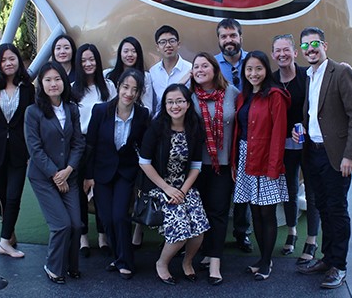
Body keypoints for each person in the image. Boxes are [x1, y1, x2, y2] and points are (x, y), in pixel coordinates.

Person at [294, 27, 352, 290]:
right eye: (305, 46)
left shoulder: (341, 72)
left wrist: (350, 155)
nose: (310, 49)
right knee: (323, 208)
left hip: (336, 156)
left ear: (325, 45)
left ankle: (340, 266)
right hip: (313, 152)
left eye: (314, 44)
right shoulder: (309, 75)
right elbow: (316, 113)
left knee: (337, 211)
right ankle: (327, 259)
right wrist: (301, 128)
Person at [139, 83, 210, 285]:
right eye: (170, 102)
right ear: (165, 105)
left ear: (188, 104)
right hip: (160, 186)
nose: (175, 106)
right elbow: (144, 162)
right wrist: (168, 189)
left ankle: (187, 262)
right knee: (180, 232)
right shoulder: (156, 127)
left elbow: (196, 165)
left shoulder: (194, 127)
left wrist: (183, 190)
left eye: (179, 101)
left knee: (199, 231)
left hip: (185, 186)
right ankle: (162, 263)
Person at [83, 69, 150, 279]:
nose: (129, 93)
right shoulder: (100, 110)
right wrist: (88, 176)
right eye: (125, 87)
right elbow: (90, 145)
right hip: (101, 172)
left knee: (120, 215)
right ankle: (117, 255)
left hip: (126, 172)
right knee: (107, 218)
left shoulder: (142, 114)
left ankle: (125, 261)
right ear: (118, 86)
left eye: (134, 89)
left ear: (139, 93)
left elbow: (144, 145)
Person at [231, 51, 290, 281]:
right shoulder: (243, 96)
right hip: (246, 157)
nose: (253, 73)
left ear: (266, 70)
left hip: (267, 160)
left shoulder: (275, 96)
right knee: (254, 211)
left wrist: (274, 167)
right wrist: (236, 161)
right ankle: (261, 258)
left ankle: (267, 261)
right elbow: (238, 132)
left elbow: (278, 134)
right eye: (249, 69)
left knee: (267, 213)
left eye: (258, 68)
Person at [24, 62, 85, 285]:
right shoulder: (33, 112)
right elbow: (35, 148)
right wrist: (55, 174)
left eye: (57, 79)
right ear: (41, 84)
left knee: (77, 225)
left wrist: (67, 171)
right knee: (61, 224)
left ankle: (71, 266)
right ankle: (53, 266)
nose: (53, 84)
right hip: (43, 177)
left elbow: (78, 143)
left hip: (69, 175)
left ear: (64, 81)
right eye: (48, 80)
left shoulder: (71, 109)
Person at [189, 52, 239, 285]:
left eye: (204, 65)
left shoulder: (231, 92)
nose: (200, 70)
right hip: (196, 166)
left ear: (215, 68)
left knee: (218, 212)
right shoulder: (189, 97)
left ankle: (216, 262)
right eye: (195, 67)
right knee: (202, 212)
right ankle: (207, 252)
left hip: (223, 164)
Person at [271, 34, 321, 265]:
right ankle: (292, 231)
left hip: (309, 144)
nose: (282, 54)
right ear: (273, 55)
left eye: (286, 50)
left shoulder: (307, 76)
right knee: (289, 189)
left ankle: (311, 239)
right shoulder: (271, 80)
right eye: (277, 51)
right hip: (285, 145)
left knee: (311, 191)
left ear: (295, 52)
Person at [0, 43, 35, 258]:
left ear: (18, 61)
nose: (8, 63)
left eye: (12, 58)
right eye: (3, 60)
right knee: (2, 196)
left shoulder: (29, 89)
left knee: (14, 195)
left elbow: (31, 121)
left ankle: (4, 243)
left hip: (19, 151)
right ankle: (9, 233)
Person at [72, 43, 116, 257]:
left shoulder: (108, 86)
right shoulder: (72, 89)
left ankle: (102, 236)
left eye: (92, 60)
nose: (88, 64)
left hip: (102, 145)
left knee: (100, 191)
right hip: (80, 145)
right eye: (84, 61)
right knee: (80, 191)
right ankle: (82, 238)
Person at [213, 18, 252, 253]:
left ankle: (241, 231)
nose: (229, 40)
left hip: (247, 130)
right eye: (224, 36)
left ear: (240, 37)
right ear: (218, 39)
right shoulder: (212, 65)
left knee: (243, 185)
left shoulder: (253, 62)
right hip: (223, 132)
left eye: (233, 35)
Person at [104, 36, 153, 115]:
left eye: (134, 51)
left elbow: (148, 107)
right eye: (126, 51)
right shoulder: (107, 75)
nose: (130, 54)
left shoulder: (146, 77)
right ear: (120, 53)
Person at [148, 25, 192, 114]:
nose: (168, 45)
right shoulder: (153, 72)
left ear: (178, 44)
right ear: (157, 47)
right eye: (163, 42)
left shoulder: (190, 69)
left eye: (172, 41)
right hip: (160, 122)